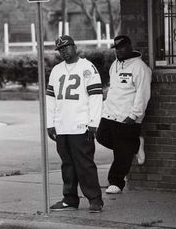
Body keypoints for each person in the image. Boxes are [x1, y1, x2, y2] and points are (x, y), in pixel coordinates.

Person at [46, 35, 104, 213]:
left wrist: (94, 122)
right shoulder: (56, 70)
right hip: (62, 125)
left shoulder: (87, 67)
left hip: (81, 125)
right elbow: (50, 99)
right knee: (67, 165)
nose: (64, 51)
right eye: (60, 49)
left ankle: (95, 199)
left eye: (66, 47)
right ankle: (70, 199)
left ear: (74, 46)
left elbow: (96, 96)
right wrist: (50, 123)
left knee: (85, 164)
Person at [96, 35, 152, 194]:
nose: (119, 51)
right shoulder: (115, 64)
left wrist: (134, 116)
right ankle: (135, 144)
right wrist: (104, 108)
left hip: (128, 117)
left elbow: (143, 94)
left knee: (121, 150)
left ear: (129, 46)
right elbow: (114, 89)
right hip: (110, 113)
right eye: (116, 48)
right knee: (102, 137)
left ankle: (116, 182)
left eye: (121, 47)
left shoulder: (140, 67)